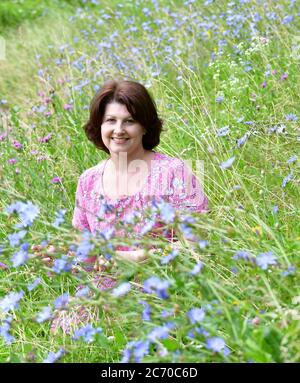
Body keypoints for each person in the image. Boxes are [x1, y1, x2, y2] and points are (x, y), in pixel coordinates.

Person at [50, 79, 208, 334]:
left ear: (145, 126)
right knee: (65, 330)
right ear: (99, 126)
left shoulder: (174, 172)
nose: (119, 129)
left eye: (129, 121)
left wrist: (140, 259)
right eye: (110, 120)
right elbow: (87, 256)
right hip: (105, 295)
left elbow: (199, 243)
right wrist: (58, 259)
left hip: (165, 289)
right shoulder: (88, 180)